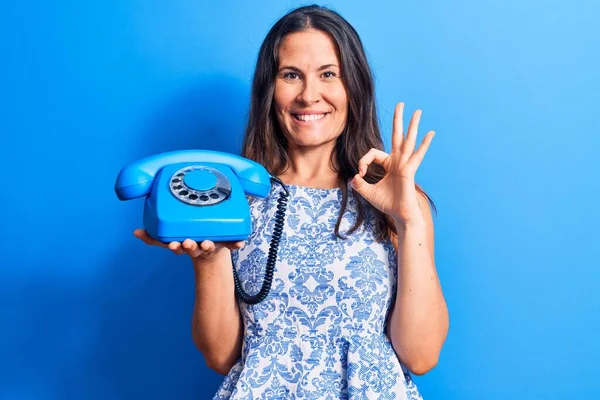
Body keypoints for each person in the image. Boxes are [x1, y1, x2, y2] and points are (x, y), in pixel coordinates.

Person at [134, 4, 449, 399]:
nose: (309, 95)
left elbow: (420, 356)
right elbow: (221, 357)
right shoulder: (237, 200)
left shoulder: (396, 200)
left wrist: (409, 219)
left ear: (354, 86)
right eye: (291, 75)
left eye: (328, 74)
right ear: (271, 88)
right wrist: (210, 258)